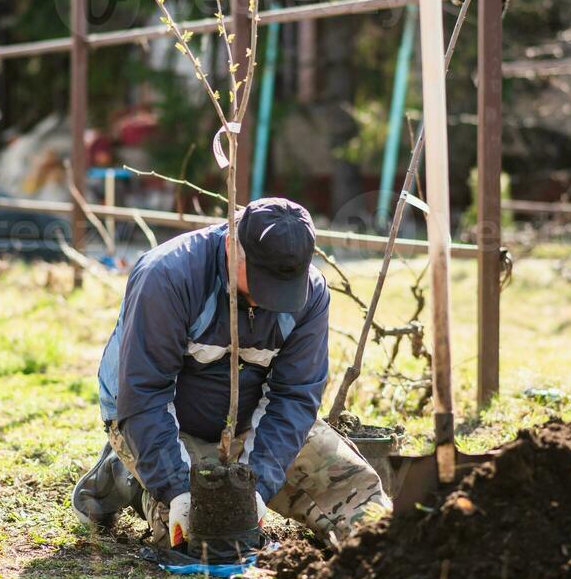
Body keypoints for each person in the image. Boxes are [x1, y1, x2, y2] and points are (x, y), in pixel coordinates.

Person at [72, 197, 389, 547]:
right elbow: (144, 393)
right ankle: (127, 474)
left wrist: (256, 487)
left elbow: (294, 397)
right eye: (261, 283)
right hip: (156, 419)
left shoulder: (311, 295)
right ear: (230, 244)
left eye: (282, 290)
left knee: (369, 511)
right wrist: (177, 489)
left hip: (247, 423)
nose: (268, 300)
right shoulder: (167, 276)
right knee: (205, 539)